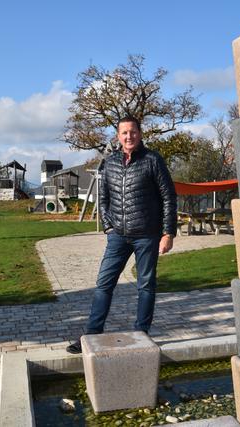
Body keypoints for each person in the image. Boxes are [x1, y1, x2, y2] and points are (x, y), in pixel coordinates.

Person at [67, 115, 177, 354]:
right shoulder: (110, 162)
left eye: (133, 132)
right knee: (103, 284)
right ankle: (91, 334)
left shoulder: (153, 160)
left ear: (140, 133)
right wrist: (108, 227)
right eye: (124, 133)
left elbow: (169, 196)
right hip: (117, 236)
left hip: (147, 235)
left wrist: (168, 232)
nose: (129, 136)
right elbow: (103, 198)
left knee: (146, 285)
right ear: (118, 136)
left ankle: (141, 334)